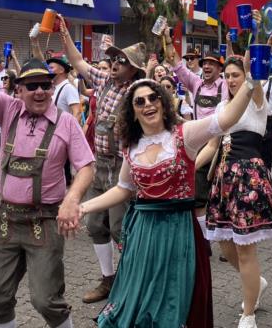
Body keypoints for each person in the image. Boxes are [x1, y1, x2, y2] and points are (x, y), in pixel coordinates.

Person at [81, 75, 259, 328]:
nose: (148, 104)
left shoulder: (184, 134)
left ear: (164, 103)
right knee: (141, 296)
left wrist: (251, 82)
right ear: (132, 112)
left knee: (175, 299)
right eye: (139, 101)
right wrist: (84, 207)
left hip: (179, 232)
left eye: (153, 98)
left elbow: (226, 119)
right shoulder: (131, 146)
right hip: (143, 233)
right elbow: (123, 189)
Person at [0, 56, 95, 328]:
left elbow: (87, 167)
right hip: (6, 220)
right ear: (18, 90)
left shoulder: (66, 122)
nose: (40, 91)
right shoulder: (8, 110)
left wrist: (71, 199)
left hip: (44, 221)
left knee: (46, 300)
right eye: (31, 86)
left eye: (45, 84)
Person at [60, 22, 146, 304]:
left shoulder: (138, 90)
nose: (115, 63)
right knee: (97, 225)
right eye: (114, 59)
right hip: (100, 164)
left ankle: (134, 280)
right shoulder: (104, 81)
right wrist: (64, 34)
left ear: (134, 68)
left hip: (123, 168)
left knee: (120, 228)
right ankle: (108, 280)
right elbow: (78, 62)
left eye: (122, 61)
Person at [203, 55, 272, 328]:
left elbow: (255, 84)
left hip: (249, 177)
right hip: (225, 179)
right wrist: (187, 166)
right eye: (228, 76)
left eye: (235, 75)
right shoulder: (223, 106)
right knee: (226, 245)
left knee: (245, 249)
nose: (231, 80)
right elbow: (213, 146)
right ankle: (256, 282)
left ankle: (248, 313)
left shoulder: (258, 102)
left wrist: (251, 69)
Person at [165, 36, 228, 233]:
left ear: (220, 69)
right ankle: (204, 239)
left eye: (212, 64)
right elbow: (176, 64)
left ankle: (224, 234)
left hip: (223, 143)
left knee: (222, 192)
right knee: (199, 193)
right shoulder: (196, 84)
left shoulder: (226, 86)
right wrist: (167, 40)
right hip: (200, 142)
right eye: (205, 63)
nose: (207, 66)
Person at [48, 55, 82, 124]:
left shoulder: (68, 88)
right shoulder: (53, 87)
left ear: (61, 70)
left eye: (51, 68)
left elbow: (77, 113)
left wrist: (72, 132)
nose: (48, 70)